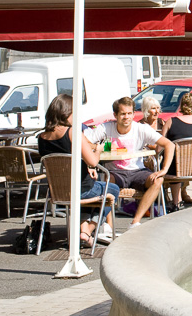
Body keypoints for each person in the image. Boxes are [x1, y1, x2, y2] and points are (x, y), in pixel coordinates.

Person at [37, 93, 120, 245]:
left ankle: (83, 231)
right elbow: (94, 161)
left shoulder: (41, 137)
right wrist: (99, 149)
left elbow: (62, 160)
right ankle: (89, 229)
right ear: (66, 113)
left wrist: (87, 167)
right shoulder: (72, 133)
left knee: (92, 192)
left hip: (58, 192)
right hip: (81, 189)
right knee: (112, 189)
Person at [91, 96, 175, 228]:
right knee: (106, 179)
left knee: (158, 180)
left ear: (134, 114)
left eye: (129, 113)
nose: (126, 117)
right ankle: (108, 225)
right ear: (115, 115)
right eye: (123, 114)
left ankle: (135, 222)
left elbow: (169, 145)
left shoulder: (141, 128)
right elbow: (84, 141)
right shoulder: (106, 128)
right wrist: (99, 147)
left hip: (137, 171)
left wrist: (163, 170)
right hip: (115, 172)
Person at [165, 92, 192, 209]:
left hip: (176, 169)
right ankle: (179, 199)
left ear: (182, 105)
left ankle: (175, 202)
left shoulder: (171, 122)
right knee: (177, 160)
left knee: (172, 159)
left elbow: (160, 146)